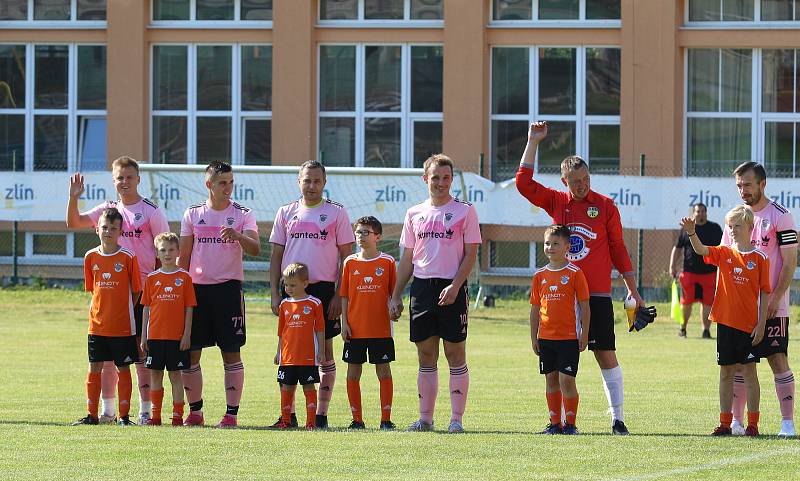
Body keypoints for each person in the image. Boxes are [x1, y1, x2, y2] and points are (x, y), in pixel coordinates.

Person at [516, 121, 646, 435]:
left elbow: (618, 248)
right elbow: (523, 183)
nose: (581, 185)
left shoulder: (605, 206)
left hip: (596, 295)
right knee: (557, 368)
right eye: (574, 181)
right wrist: (534, 141)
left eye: (585, 179)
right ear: (564, 181)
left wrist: (633, 291)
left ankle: (617, 418)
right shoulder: (557, 202)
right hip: (561, 298)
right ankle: (558, 422)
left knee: (605, 354)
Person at [67, 156, 170, 424]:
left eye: (129, 177)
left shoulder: (151, 211)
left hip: (144, 292)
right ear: (114, 181)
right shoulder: (107, 210)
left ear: (138, 179)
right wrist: (74, 197)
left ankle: (145, 411)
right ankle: (108, 411)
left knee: (140, 354)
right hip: (113, 295)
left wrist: (157, 287)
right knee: (109, 358)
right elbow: (75, 222)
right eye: (119, 178)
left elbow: (164, 252)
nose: (124, 182)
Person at [390, 154, 481, 434]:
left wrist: (455, 286)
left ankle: (456, 420)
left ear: (451, 180)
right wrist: (396, 295)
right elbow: (407, 258)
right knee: (426, 354)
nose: (441, 183)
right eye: (435, 177)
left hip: (452, 286)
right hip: (422, 288)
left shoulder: (465, 211)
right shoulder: (414, 213)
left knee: (454, 353)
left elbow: (471, 254)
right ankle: (425, 419)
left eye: (446, 178)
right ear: (425, 179)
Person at [269, 160, 354, 428]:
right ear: (299, 181)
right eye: (307, 180)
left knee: (324, 352)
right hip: (291, 290)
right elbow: (276, 255)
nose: (312, 185)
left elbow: (346, 257)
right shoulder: (286, 212)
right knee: (289, 352)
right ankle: (288, 415)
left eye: (317, 181)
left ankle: (320, 414)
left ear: (324, 183)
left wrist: (339, 295)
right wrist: (274, 292)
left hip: (324, 291)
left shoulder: (336, 213)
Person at [178, 161, 260, 428]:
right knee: (191, 353)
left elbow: (256, 249)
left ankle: (231, 415)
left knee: (231, 352)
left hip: (228, 290)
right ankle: (196, 412)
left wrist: (237, 235)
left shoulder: (243, 214)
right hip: (197, 291)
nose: (228, 188)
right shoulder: (192, 214)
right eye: (222, 182)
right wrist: (180, 293)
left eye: (231, 182)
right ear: (208, 184)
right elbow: (184, 258)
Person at [680, 205, 770, 436]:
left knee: (750, 373)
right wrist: (692, 232)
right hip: (725, 324)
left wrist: (761, 325)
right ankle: (725, 423)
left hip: (749, 327)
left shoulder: (760, 258)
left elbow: (765, 292)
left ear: (750, 227)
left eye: (737, 226)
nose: (732, 230)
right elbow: (700, 250)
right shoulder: (725, 252)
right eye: (730, 226)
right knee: (726, 373)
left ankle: (752, 425)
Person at [726, 162, 798, 437]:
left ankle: (787, 423)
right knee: (740, 363)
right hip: (740, 309)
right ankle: (737, 423)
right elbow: (726, 257)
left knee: (777, 358)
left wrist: (774, 299)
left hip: (772, 306)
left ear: (762, 184)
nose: (743, 190)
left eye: (748, 185)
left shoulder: (781, 216)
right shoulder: (734, 217)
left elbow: (790, 262)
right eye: (739, 186)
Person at [72, 208, 141, 426]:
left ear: (121, 231)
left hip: (122, 326)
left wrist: (124, 309)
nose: (108, 232)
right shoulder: (90, 257)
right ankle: (92, 415)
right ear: (96, 229)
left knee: (123, 368)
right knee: (94, 368)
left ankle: (124, 417)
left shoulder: (128, 257)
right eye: (104, 227)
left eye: (113, 228)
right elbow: (93, 290)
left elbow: (137, 291)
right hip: (97, 326)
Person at [530, 225, 590, 435]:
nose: (550, 247)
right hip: (546, 337)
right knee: (551, 379)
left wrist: (585, 333)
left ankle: (571, 424)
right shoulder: (539, 275)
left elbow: (584, 305)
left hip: (569, 337)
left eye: (556, 243)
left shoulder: (575, 273)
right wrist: (534, 337)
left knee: (567, 379)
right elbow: (535, 308)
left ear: (567, 246)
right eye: (547, 243)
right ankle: (555, 423)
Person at [340, 216, 398, 430]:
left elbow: (394, 294)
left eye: (366, 232)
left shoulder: (388, 262)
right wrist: (344, 322)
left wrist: (394, 307)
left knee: (383, 371)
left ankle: (385, 420)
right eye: (358, 232)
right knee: (353, 373)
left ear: (378, 237)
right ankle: (357, 420)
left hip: (380, 329)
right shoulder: (350, 262)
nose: (361, 236)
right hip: (355, 329)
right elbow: (345, 295)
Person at [140, 232, 196, 426]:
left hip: (176, 337)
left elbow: (189, 308)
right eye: (163, 250)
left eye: (171, 249)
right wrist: (143, 336)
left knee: (175, 375)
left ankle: (178, 416)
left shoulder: (185, 278)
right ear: (157, 253)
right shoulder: (151, 278)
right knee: (155, 374)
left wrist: (187, 334)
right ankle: (155, 416)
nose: (167, 253)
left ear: (178, 252)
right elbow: (146, 308)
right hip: (155, 336)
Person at [272, 263, 325, 430]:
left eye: (293, 285)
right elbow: (281, 332)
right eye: (286, 284)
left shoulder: (314, 303)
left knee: (308, 387)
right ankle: (286, 420)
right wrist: (278, 352)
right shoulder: (284, 305)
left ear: (305, 283)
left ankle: (311, 423)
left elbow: (320, 329)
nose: (289, 288)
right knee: (286, 387)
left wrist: (322, 351)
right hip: (288, 357)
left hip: (308, 356)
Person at [669, 203, 723, 338]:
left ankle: (706, 330)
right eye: (698, 211)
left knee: (707, 303)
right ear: (693, 213)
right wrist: (672, 266)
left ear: (706, 212)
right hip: (689, 272)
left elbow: (723, 249)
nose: (701, 214)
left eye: (703, 211)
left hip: (709, 273)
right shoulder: (687, 229)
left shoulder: (715, 228)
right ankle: (683, 328)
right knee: (686, 302)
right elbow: (677, 248)